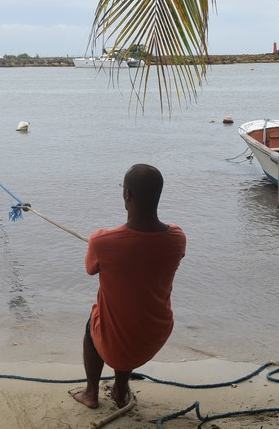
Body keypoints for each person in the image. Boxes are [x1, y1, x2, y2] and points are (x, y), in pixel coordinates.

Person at [72, 163, 186, 409]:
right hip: (154, 334)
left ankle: (91, 393)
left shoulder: (103, 241)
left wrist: (99, 242)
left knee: (95, 321)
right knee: (126, 316)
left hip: (121, 340)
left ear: (127, 195)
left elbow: (90, 268)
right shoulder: (177, 238)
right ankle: (120, 390)